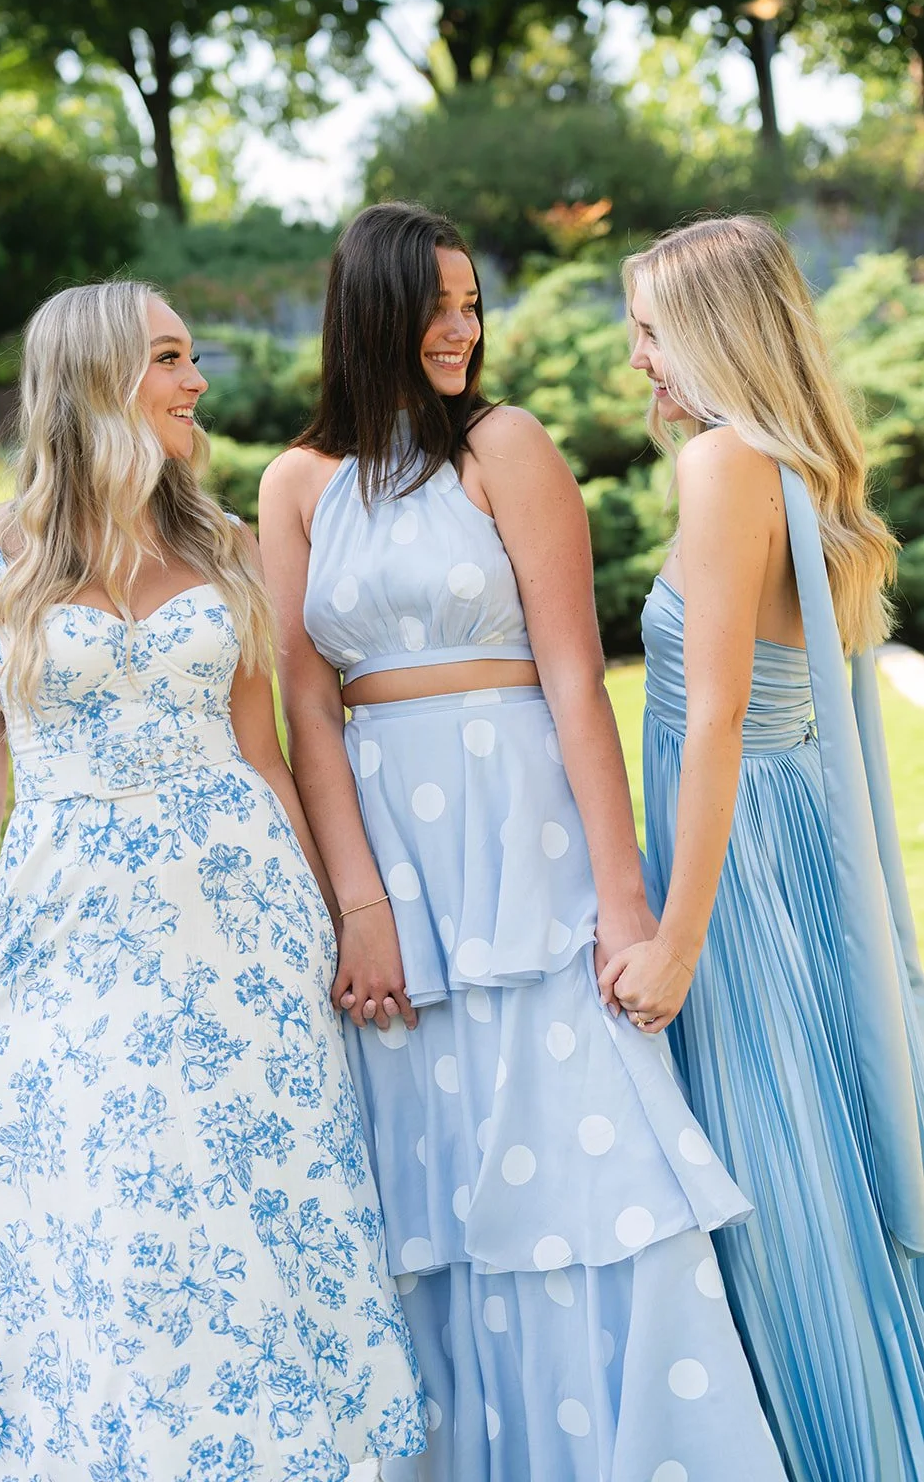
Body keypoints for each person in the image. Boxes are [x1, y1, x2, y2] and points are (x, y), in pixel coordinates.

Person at [259, 200, 785, 1482]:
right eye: (437, 305)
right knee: (427, 1180)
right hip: (391, 851)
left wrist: (623, 896)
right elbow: (306, 705)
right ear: (371, 311)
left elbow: (570, 673)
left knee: (578, 1145)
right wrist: (360, 906)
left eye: (473, 304)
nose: (461, 328)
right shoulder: (293, 484)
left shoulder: (503, 445)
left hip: (526, 840)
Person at [0, 280, 426, 1482]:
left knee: (249, 1216)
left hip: (241, 927)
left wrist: (332, 918)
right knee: (117, 1218)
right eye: (171, 358)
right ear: (92, 380)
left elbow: (263, 755)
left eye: (192, 357)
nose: (197, 382)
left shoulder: (225, 546)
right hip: (74, 923)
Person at [602, 213, 924, 1480]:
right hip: (774, 835)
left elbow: (721, 710)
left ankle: (827, 1437)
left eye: (650, 330)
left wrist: (676, 937)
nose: (640, 362)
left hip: (735, 866)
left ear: (713, 330)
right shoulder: (794, 467)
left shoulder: (727, 464)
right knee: (800, 1140)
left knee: (772, 1158)